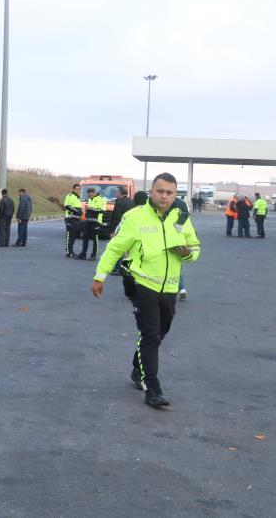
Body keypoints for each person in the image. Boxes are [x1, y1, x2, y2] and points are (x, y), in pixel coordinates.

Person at [91, 172, 200, 408]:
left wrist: (188, 253)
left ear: (175, 194)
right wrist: (100, 277)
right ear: (151, 192)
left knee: (161, 331)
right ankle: (152, 388)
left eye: (169, 192)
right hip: (143, 284)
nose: (164, 196)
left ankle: (137, 367)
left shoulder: (181, 218)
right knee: (150, 334)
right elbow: (114, 249)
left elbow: (195, 248)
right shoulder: (134, 217)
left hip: (170, 285)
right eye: (160, 191)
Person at [109, 186, 134, 275]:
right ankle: (124, 268)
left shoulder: (119, 202)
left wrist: (112, 231)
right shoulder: (131, 202)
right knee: (127, 250)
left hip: (120, 229)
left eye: (117, 192)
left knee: (118, 248)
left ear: (120, 193)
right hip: (130, 228)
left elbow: (116, 218)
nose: (116, 193)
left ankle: (117, 269)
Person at [77, 187, 106, 260]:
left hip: (96, 221)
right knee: (85, 237)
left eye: (90, 195)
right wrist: (87, 211)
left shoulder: (100, 199)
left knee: (95, 239)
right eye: (88, 195)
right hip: (88, 221)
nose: (89, 196)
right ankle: (83, 254)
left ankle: (94, 255)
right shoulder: (90, 199)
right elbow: (90, 209)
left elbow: (102, 210)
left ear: (93, 193)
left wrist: (90, 208)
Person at [63, 183, 84, 258]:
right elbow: (67, 206)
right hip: (70, 219)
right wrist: (77, 211)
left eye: (79, 189)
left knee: (74, 235)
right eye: (77, 189)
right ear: (73, 189)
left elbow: (78, 208)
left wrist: (80, 211)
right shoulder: (70, 196)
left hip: (76, 219)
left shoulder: (78, 197)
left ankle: (71, 251)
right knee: (70, 235)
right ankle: (68, 252)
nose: (78, 190)